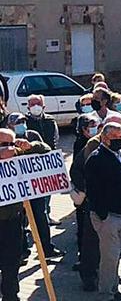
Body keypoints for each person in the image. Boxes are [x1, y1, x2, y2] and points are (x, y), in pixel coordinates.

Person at [84, 122, 121, 301]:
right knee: (109, 258)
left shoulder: (119, 153)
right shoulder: (96, 159)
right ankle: (106, 295)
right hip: (108, 218)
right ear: (104, 138)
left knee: (116, 255)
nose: (120, 141)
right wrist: (103, 215)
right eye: (115, 138)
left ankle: (114, 290)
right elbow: (93, 190)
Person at [0, 128, 51, 301]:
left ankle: (10, 295)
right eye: (2, 144)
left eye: (10, 144)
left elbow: (48, 155)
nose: (6, 148)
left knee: (12, 261)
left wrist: (30, 146)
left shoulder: (20, 158)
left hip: (13, 221)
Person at [7, 113, 64, 260]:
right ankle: (22, 252)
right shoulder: (6, 138)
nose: (21, 125)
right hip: (17, 189)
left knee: (41, 216)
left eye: (23, 121)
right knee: (21, 222)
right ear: (9, 125)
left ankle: (47, 249)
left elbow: (47, 150)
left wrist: (32, 146)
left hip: (35, 187)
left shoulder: (32, 135)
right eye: (17, 122)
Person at [69, 114, 102, 291]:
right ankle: (88, 273)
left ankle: (105, 273)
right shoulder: (84, 145)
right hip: (89, 199)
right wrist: (85, 190)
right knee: (88, 238)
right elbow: (76, 170)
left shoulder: (113, 145)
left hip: (107, 202)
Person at [25, 94, 60, 225]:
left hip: (48, 160)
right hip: (31, 162)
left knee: (48, 189)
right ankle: (30, 221)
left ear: (43, 106)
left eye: (38, 104)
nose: (35, 107)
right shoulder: (24, 121)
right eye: (32, 104)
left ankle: (47, 216)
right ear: (28, 106)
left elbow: (56, 138)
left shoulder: (50, 121)